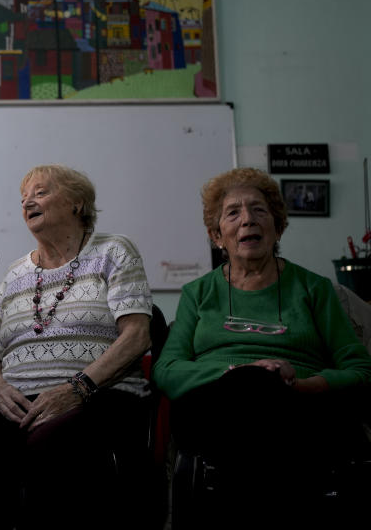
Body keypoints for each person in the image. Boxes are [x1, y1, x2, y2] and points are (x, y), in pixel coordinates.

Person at [0, 164, 153, 529]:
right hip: (21, 402)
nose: (28, 201)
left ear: (78, 203)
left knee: (50, 441)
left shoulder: (114, 251)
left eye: (41, 192)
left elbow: (137, 336)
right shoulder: (16, 273)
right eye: (23, 197)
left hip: (98, 396)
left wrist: (77, 388)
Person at [153, 167, 371, 527]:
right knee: (252, 393)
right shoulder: (198, 294)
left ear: (278, 226)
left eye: (259, 210)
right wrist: (236, 373)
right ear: (216, 235)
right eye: (233, 212)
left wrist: (300, 385)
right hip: (216, 405)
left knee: (266, 408)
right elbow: (166, 369)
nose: (247, 221)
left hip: (298, 407)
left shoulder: (314, 289)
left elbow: (359, 369)